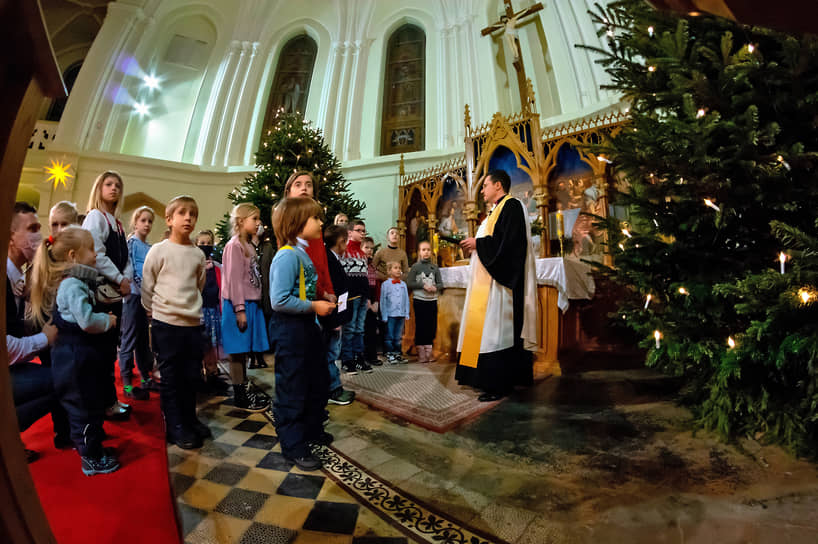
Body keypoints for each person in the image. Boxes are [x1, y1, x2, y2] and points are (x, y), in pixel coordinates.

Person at [30, 227, 120, 475]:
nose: (94, 254)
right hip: (75, 362)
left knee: (90, 406)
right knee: (84, 411)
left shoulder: (76, 282)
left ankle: (94, 448)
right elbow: (87, 321)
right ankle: (90, 458)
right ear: (73, 255)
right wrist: (107, 321)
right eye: (90, 249)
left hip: (81, 360)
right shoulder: (72, 285)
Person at [456, 170, 538, 402]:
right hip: (486, 283)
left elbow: (510, 245)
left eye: (485, 186)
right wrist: (477, 245)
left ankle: (498, 383)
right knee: (483, 332)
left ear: (498, 186)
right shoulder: (495, 211)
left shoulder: (512, 206)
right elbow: (495, 240)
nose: (481, 191)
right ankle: (482, 379)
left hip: (499, 286)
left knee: (495, 333)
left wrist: (478, 243)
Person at [268, 197, 335, 471]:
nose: (320, 223)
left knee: (315, 381)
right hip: (290, 330)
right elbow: (279, 300)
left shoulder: (302, 252)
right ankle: (293, 443)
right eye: (315, 218)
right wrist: (314, 306)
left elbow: (303, 287)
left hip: (307, 328)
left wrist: (322, 295)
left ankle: (310, 428)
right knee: (292, 387)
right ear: (296, 223)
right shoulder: (286, 255)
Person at [142, 196, 209, 449]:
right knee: (172, 378)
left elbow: (198, 285)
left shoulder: (196, 254)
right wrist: (154, 312)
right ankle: (175, 425)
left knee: (191, 376)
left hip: (192, 324)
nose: (188, 218)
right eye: (182, 213)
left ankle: (190, 419)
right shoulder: (159, 251)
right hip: (166, 324)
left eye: (193, 213)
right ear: (169, 219)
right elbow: (148, 285)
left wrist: (190, 309)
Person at [7, 202, 69, 462]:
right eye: (32, 229)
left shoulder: (16, 276)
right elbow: (5, 348)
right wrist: (45, 337)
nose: (39, 235)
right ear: (10, 237)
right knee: (61, 380)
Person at [82, 171, 132, 420]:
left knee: (109, 351)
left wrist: (127, 277)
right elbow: (96, 254)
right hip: (101, 295)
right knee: (100, 353)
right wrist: (120, 278)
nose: (114, 189)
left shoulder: (118, 223)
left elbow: (126, 257)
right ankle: (102, 403)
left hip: (115, 295)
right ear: (99, 187)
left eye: (118, 185)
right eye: (108, 184)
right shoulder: (95, 217)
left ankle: (109, 399)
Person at [221, 203, 271, 411]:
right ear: (241, 221)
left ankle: (243, 387)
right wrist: (239, 309)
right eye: (254, 219)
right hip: (238, 305)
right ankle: (240, 395)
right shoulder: (234, 246)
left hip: (251, 303)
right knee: (237, 352)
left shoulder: (249, 245)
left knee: (244, 352)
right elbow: (233, 280)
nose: (259, 223)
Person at [118, 205, 156, 401]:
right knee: (130, 339)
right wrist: (143, 292)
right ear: (135, 222)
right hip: (133, 296)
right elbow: (131, 271)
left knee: (143, 341)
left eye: (150, 221)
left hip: (145, 298)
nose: (147, 224)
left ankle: (144, 378)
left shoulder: (149, 247)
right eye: (143, 220)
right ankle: (126, 384)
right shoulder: (131, 243)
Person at [323, 225, 355, 405]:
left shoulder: (331, 257)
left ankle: (333, 387)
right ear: (342, 242)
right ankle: (333, 390)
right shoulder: (329, 260)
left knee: (332, 352)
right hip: (332, 317)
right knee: (331, 354)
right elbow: (334, 290)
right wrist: (335, 319)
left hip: (335, 315)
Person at [196, 230, 228, 393]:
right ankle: (200, 375)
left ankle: (213, 373)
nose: (205, 246)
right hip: (200, 311)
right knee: (203, 345)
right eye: (202, 243)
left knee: (213, 346)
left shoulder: (217, 266)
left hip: (214, 310)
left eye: (208, 243)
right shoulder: (195, 265)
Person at [340, 220, 373, 374]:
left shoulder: (362, 253)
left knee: (360, 329)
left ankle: (359, 357)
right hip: (351, 297)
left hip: (362, 296)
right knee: (349, 328)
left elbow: (364, 277)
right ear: (349, 232)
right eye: (358, 230)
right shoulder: (344, 251)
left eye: (363, 231)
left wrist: (367, 297)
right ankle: (347, 360)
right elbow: (342, 276)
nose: (362, 233)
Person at [407, 240, 443, 363]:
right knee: (421, 325)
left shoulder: (434, 267)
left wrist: (435, 287)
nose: (426, 252)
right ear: (419, 252)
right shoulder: (416, 267)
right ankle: (421, 352)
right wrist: (422, 285)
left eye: (428, 249)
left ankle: (429, 351)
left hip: (432, 300)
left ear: (431, 252)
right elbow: (409, 282)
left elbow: (440, 283)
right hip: (420, 300)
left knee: (431, 326)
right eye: (423, 250)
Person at [379, 262, 410, 364]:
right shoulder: (385, 285)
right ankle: (389, 353)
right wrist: (384, 315)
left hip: (400, 314)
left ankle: (397, 354)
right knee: (389, 336)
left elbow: (406, 299)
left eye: (399, 268)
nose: (398, 270)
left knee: (398, 337)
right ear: (389, 271)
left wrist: (407, 313)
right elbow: (383, 300)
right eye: (395, 268)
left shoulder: (403, 284)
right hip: (390, 315)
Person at [362, 236, 382, 367]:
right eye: (366, 248)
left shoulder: (372, 266)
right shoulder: (359, 264)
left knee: (372, 329)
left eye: (371, 248)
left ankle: (372, 355)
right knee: (361, 330)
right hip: (363, 300)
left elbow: (376, 286)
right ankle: (362, 356)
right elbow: (361, 285)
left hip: (373, 300)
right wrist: (367, 301)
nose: (369, 250)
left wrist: (376, 302)